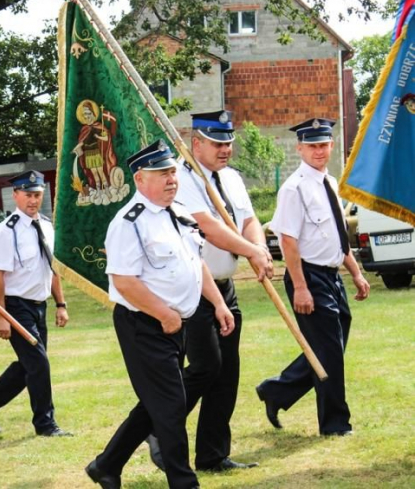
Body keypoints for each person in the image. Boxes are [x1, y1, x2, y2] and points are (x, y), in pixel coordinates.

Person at [85, 141, 235, 489]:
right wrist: (164, 314)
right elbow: (122, 280)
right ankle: (184, 483)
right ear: (140, 179)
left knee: (159, 402)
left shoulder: (179, 213)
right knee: (170, 407)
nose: (171, 179)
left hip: (174, 324)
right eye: (161, 173)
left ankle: (106, 465)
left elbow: (194, 264)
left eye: (172, 172)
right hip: (144, 325)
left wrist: (218, 303)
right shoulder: (129, 223)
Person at [145, 111, 273, 472]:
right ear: (195, 143)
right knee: (205, 366)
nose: (226, 149)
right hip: (193, 289)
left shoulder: (231, 179)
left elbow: (248, 220)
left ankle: (213, 455)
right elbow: (209, 227)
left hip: (225, 285)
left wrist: (258, 248)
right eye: (218, 143)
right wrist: (250, 251)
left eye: (229, 142)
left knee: (226, 372)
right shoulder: (183, 180)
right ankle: (155, 424)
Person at [256, 118, 370, 436]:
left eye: (324, 145)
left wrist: (356, 274)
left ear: (331, 146)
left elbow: (337, 235)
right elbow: (288, 240)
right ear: (300, 148)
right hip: (308, 276)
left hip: (332, 276)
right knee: (329, 350)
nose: (319, 151)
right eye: (313, 145)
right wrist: (301, 287)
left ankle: (277, 391)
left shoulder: (330, 183)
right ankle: (335, 424)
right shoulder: (294, 188)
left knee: (331, 345)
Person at [0, 170, 72, 438]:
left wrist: (61, 304)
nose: (33, 200)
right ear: (15, 195)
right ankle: (45, 424)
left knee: (30, 364)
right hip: (15, 307)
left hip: (40, 305)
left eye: (37, 195)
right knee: (38, 364)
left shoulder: (47, 227)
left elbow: (53, 269)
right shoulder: (7, 231)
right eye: (27, 195)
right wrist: (1, 316)